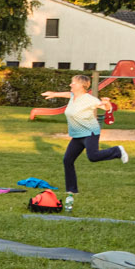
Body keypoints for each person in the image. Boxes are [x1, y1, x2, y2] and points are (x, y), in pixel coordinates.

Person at [41, 75, 128, 207]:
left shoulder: (89, 99)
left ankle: (117, 151)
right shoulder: (73, 96)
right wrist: (54, 94)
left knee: (93, 156)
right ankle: (72, 190)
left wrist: (106, 103)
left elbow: (105, 108)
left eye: (73, 83)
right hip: (77, 135)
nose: (70, 85)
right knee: (68, 160)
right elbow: (67, 94)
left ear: (82, 86)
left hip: (90, 132)